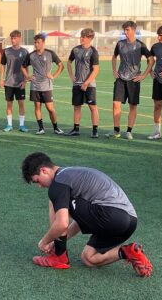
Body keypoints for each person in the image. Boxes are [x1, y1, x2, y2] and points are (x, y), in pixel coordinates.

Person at [21, 152, 151, 277]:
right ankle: (128, 251)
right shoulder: (69, 174)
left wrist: (44, 242)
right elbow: (82, 219)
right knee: (88, 258)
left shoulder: (59, 182)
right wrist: (56, 241)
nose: (39, 186)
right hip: (128, 221)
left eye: (37, 181)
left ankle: (59, 257)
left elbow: (62, 224)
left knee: (54, 199)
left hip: (113, 215)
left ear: (44, 170)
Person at [110, 21, 151, 139]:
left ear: (133, 30)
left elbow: (151, 59)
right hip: (121, 78)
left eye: (127, 30)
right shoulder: (120, 44)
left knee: (132, 106)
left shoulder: (140, 45)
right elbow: (114, 56)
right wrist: (114, 70)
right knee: (115, 103)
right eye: (124, 30)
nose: (125, 32)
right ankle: (116, 131)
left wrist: (143, 75)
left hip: (134, 79)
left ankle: (129, 131)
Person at [24, 33, 64, 135]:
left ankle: (56, 128)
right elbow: (22, 67)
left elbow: (61, 65)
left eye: (38, 42)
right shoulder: (31, 55)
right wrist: (28, 76)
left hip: (47, 86)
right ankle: (41, 128)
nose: (36, 44)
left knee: (50, 108)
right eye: (35, 42)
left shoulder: (50, 53)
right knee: (37, 107)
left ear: (43, 43)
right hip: (35, 86)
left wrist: (54, 76)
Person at [67, 28, 100, 137]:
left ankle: (95, 131)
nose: (81, 38)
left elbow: (96, 69)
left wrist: (86, 83)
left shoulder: (93, 52)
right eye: (81, 36)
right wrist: (72, 76)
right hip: (77, 84)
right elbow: (69, 62)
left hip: (89, 85)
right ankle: (76, 129)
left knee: (92, 107)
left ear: (90, 38)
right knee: (77, 106)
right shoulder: (75, 49)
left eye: (84, 37)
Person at [0, 30, 30, 132]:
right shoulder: (6, 51)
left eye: (15, 38)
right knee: (9, 104)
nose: (13, 40)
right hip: (8, 83)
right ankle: (9, 125)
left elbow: (27, 68)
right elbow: (3, 65)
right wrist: (1, 79)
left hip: (20, 82)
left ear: (19, 38)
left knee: (21, 103)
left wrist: (25, 81)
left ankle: (22, 125)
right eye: (11, 38)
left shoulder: (25, 52)